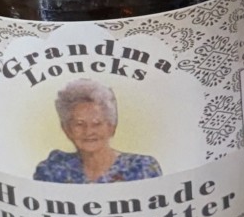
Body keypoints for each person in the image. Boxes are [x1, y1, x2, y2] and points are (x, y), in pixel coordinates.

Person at [34, 79, 162, 184]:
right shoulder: (52, 170)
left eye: (97, 124)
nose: (88, 131)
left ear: (111, 127)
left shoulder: (142, 168)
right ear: (66, 129)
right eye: (79, 124)